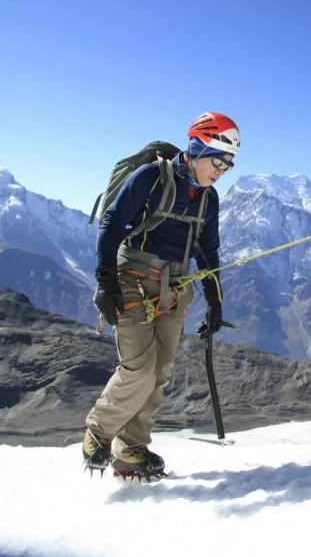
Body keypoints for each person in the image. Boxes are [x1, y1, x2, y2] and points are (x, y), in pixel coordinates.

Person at [82, 112, 239, 480]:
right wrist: (105, 280)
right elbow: (113, 223)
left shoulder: (208, 200)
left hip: (175, 286)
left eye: (228, 165)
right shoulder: (151, 177)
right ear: (197, 148)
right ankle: (98, 432)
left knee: (160, 372)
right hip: (132, 278)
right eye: (218, 160)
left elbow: (208, 252)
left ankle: (131, 449)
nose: (221, 170)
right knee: (139, 369)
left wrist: (216, 303)